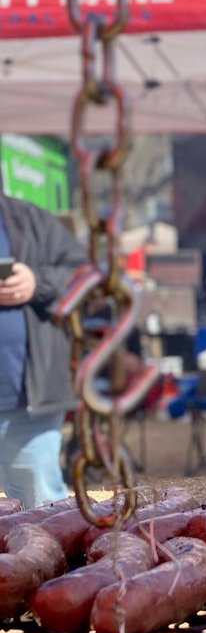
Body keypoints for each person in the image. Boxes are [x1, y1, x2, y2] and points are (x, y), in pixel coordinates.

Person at [0, 190, 87, 508]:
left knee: (42, 518)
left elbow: (83, 274)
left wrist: (38, 282)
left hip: (26, 405)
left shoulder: (31, 220)